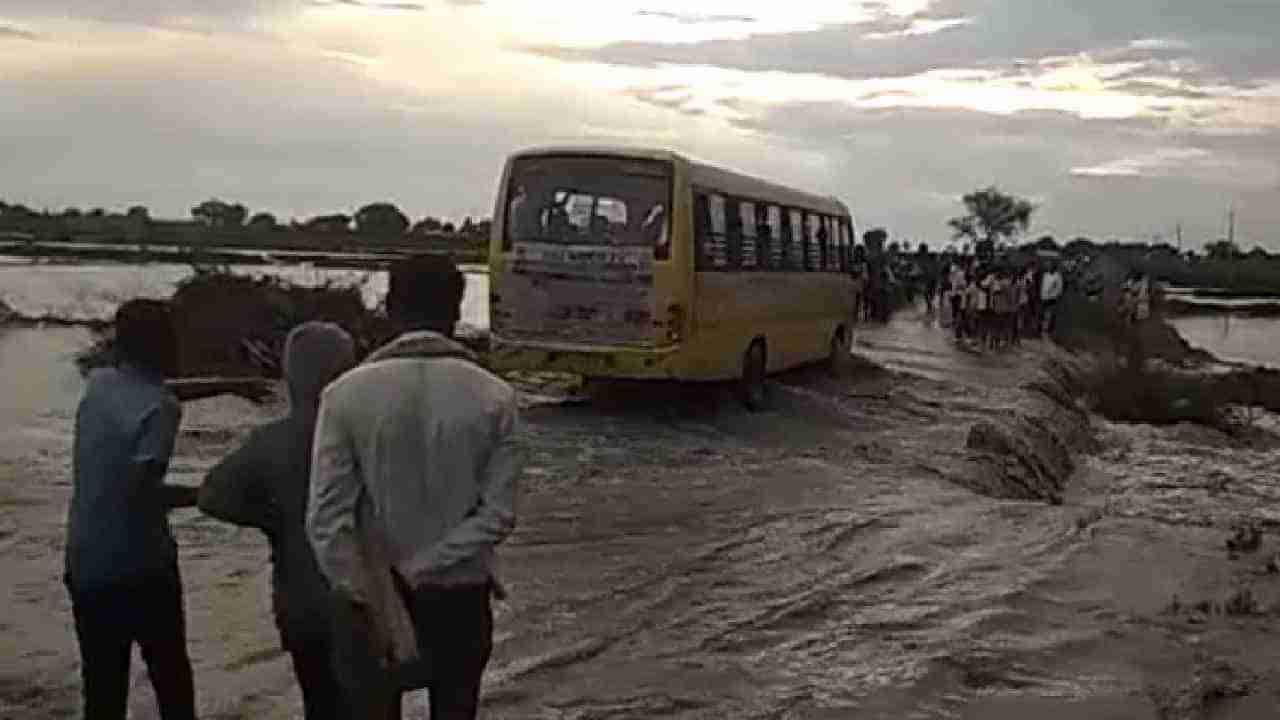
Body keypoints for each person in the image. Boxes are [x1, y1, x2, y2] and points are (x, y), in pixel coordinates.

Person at [308, 255, 520, 720]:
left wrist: (368, 591)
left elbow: (326, 521)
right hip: (460, 599)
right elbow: (498, 516)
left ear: (390, 308)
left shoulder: (345, 393)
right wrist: (421, 567)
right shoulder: (494, 396)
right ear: (457, 310)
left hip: (371, 599)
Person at [198, 322, 356, 720]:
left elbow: (212, 496)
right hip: (362, 603)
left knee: (318, 703)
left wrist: (271, 519)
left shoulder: (272, 441)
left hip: (300, 604)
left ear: (289, 375)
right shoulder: (367, 437)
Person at [64, 299, 198, 720]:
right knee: (171, 679)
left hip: (85, 560)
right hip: (140, 566)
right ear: (166, 344)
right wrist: (207, 494)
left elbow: (149, 393)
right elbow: (142, 494)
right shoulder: (162, 409)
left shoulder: (100, 383)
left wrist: (232, 385)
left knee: (102, 686)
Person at [1040, 264, 1064, 337]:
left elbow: (1059, 288)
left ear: (1054, 268)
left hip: (1052, 298)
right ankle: (1043, 329)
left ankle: (1047, 330)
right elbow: (1043, 285)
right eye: (1049, 267)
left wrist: (1057, 295)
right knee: (1044, 314)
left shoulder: (1058, 276)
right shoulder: (1045, 275)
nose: (1049, 268)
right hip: (1044, 297)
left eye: (1050, 267)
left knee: (1049, 314)